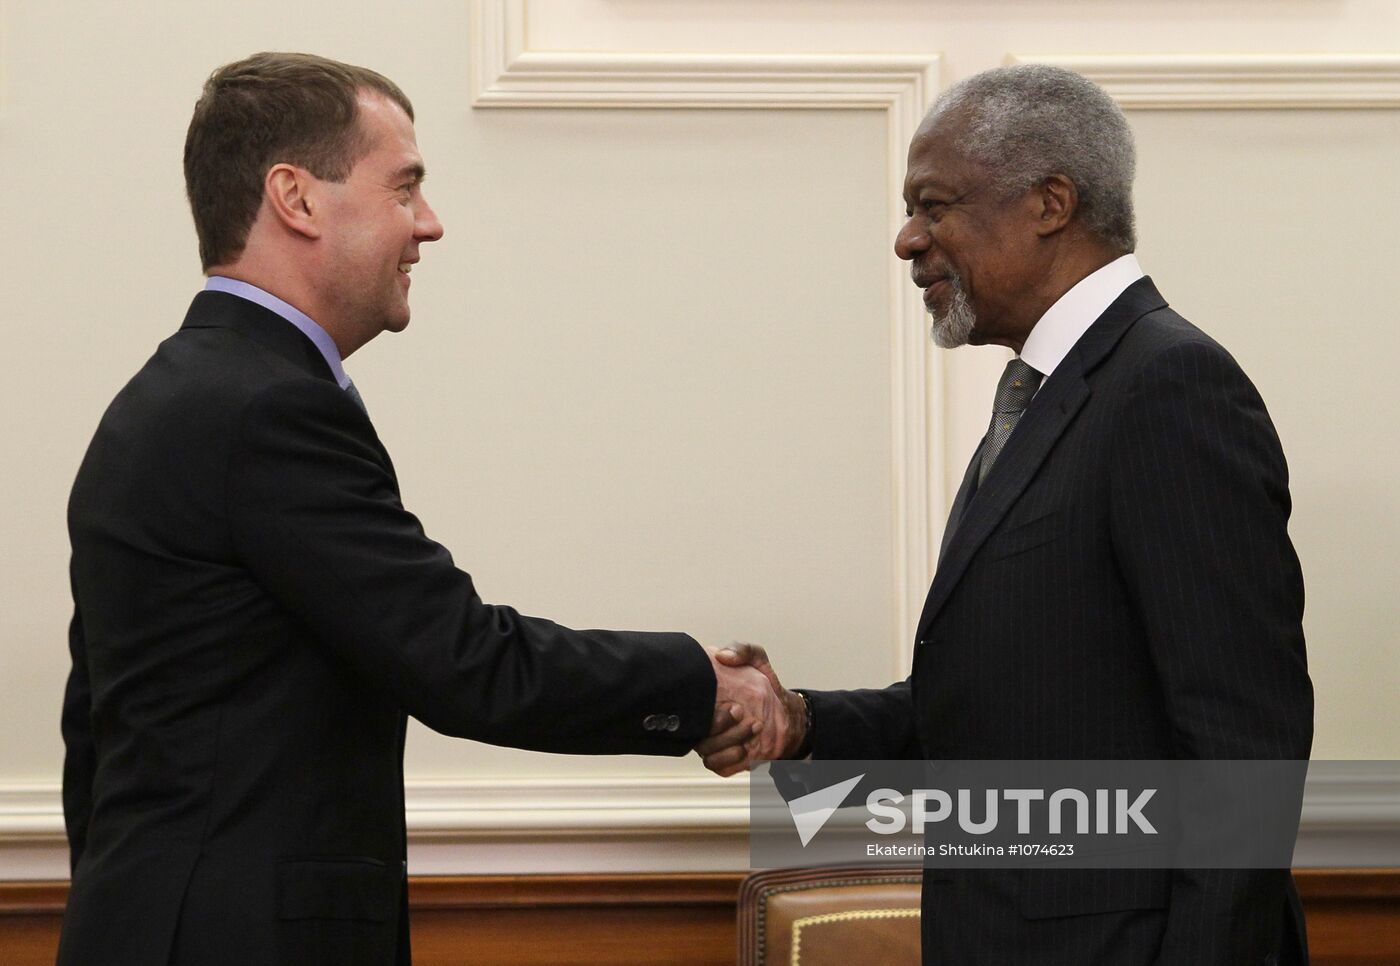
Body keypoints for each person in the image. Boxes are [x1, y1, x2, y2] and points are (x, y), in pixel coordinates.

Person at [59, 52, 784, 966]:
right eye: (405, 189)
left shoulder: (171, 395)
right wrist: (701, 687)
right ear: (297, 197)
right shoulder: (265, 407)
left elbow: (96, 727)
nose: (429, 225)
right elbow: (462, 660)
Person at [700, 64, 1313, 965]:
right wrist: (803, 723)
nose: (908, 239)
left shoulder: (1169, 387)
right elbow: (1004, 713)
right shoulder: (1044, 397)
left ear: (1051, 202)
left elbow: (1243, 750)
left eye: (934, 204)